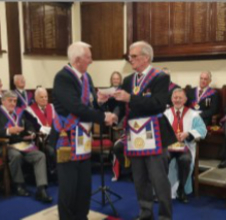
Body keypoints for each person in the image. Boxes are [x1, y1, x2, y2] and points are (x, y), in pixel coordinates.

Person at [53, 42, 114, 220]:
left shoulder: (86, 77)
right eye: (88, 57)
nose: (91, 60)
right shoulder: (63, 77)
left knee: (84, 185)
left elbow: (90, 104)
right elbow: (76, 107)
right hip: (68, 139)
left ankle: (81, 216)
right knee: (69, 186)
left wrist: (100, 102)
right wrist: (103, 117)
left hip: (84, 138)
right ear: (78, 59)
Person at [116, 41, 174, 220]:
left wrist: (131, 99)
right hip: (134, 134)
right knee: (140, 178)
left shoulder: (160, 77)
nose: (130, 60)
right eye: (129, 57)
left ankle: (165, 215)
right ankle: (145, 212)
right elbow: (121, 104)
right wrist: (108, 106)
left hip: (154, 133)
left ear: (146, 58)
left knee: (159, 179)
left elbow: (158, 104)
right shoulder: (127, 80)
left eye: (133, 56)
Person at [0, 92, 53, 203]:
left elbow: (29, 124)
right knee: (16, 155)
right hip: (3, 146)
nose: (13, 103)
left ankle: (41, 188)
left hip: (21, 144)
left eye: (15, 101)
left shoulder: (19, 112)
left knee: (40, 155)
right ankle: (19, 185)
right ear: (3, 101)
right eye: (10, 100)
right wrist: (7, 131)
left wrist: (31, 133)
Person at [164, 88, 204, 204]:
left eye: (180, 98)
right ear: (171, 99)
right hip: (169, 146)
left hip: (185, 146)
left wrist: (188, 134)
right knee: (162, 158)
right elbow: (159, 131)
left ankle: (181, 190)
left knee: (185, 160)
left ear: (185, 100)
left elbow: (202, 130)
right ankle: (162, 190)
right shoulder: (165, 114)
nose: (177, 100)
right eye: (175, 98)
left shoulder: (193, 114)